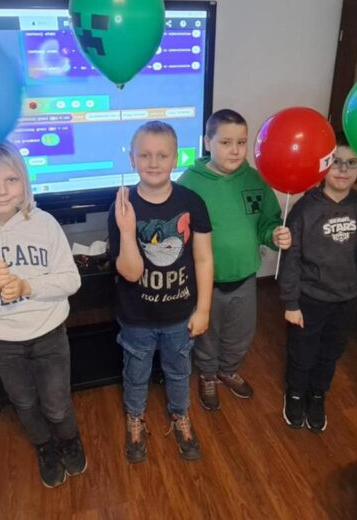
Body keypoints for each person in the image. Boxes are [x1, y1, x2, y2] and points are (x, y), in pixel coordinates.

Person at [0, 142, 86, 488]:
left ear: (25, 182)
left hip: (49, 333)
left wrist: (27, 286)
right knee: (24, 402)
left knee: (57, 404)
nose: (1, 190)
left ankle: (69, 438)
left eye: (11, 180)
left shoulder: (45, 224)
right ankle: (44, 445)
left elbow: (71, 280)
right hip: (1, 342)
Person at [108, 121, 214, 462]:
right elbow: (131, 272)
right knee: (136, 373)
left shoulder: (192, 202)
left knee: (179, 370)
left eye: (162, 155)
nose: (153, 162)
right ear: (132, 159)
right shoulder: (122, 206)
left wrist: (203, 309)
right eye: (145, 155)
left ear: (176, 158)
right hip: (136, 317)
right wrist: (128, 231)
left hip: (179, 315)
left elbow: (203, 258)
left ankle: (180, 415)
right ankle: (135, 417)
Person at [178, 108, 291, 410]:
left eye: (241, 142)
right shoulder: (189, 183)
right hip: (206, 282)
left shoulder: (255, 179)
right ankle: (208, 374)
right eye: (226, 142)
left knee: (241, 333)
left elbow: (267, 221)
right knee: (206, 333)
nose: (235, 150)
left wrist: (274, 234)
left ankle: (228, 369)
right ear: (207, 142)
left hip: (245, 277)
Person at [278, 138, 357, 432]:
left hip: (347, 299)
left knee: (331, 352)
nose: (343, 169)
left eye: (352, 163)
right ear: (324, 165)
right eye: (336, 161)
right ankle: (295, 392)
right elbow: (291, 258)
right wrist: (291, 303)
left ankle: (317, 393)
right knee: (302, 351)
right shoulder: (304, 208)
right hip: (309, 298)